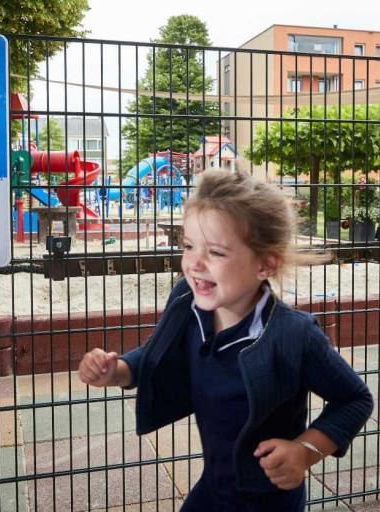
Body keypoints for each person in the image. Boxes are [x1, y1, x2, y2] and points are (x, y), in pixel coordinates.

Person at [78, 170, 373, 511]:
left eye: (216, 253)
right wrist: (119, 370)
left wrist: (304, 452)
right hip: (212, 490)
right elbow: (159, 354)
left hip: (267, 501)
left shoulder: (293, 335)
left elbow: (355, 399)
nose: (195, 263)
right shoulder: (188, 306)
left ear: (265, 264)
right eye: (188, 246)